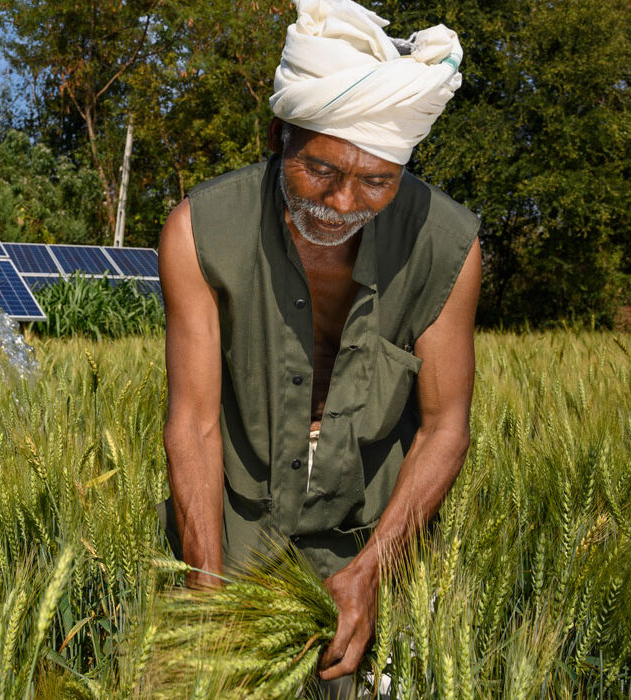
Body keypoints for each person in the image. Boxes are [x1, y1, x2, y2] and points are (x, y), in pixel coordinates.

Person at [157, 0, 483, 687]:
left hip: (374, 524)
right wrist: (209, 592)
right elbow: (194, 422)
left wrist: (374, 569)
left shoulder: (448, 247)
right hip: (240, 520)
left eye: (376, 182)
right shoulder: (198, 233)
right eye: (322, 172)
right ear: (279, 136)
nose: (342, 204)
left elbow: (445, 426)